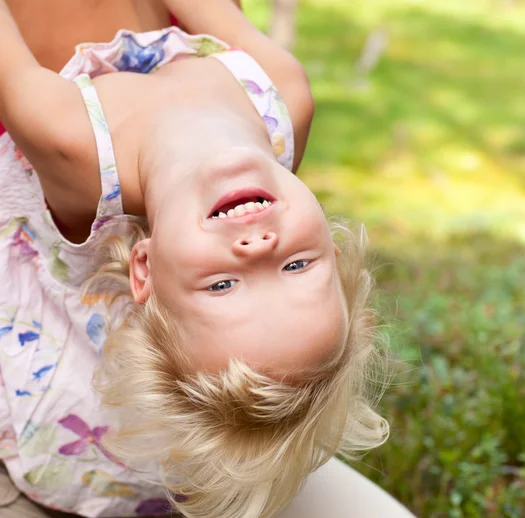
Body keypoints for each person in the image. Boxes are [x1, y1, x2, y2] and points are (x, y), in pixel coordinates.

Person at [0, 1, 414, 517]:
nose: (259, 249)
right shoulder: (284, 96)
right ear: (329, 243)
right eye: (296, 267)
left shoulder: (73, 144)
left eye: (223, 285)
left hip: (55, 427)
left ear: (144, 269)